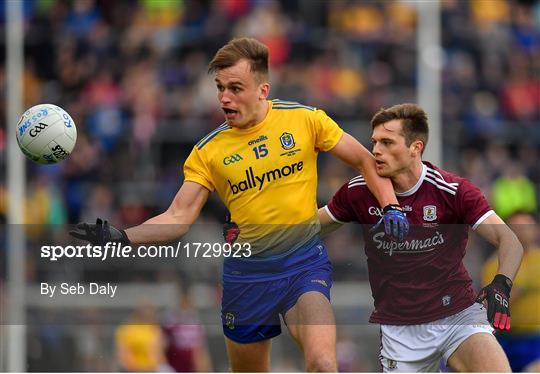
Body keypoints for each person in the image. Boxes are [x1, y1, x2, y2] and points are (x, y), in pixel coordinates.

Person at [70, 37, 408, 372]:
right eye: (220, 88)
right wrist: (122, 237)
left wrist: (391, 205)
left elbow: (365, 161)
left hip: (303, 266)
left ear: (263, 90)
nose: (224, 98)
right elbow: (179, 215)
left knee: (322, 363)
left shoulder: (305, 120)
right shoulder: (209, 151)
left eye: (235, 88)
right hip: (247, 277)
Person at [318, 103, 523, 372]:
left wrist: (501, 283)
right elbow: (309, 227)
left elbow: (509, 240)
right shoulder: (358, 192)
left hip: (457, 315)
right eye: (374, 142)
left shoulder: (452, 191)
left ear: (416, 147)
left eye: (387, 142)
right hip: (400, 329)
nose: (376, 150)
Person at [482, 211, 540, 372]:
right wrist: (520, 289)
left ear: (536, 230)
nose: (521, 230)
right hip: (504, 339)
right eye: (514, 227)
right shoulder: (494, 265)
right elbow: (488, 307)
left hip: (535, 338)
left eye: (526, 227)